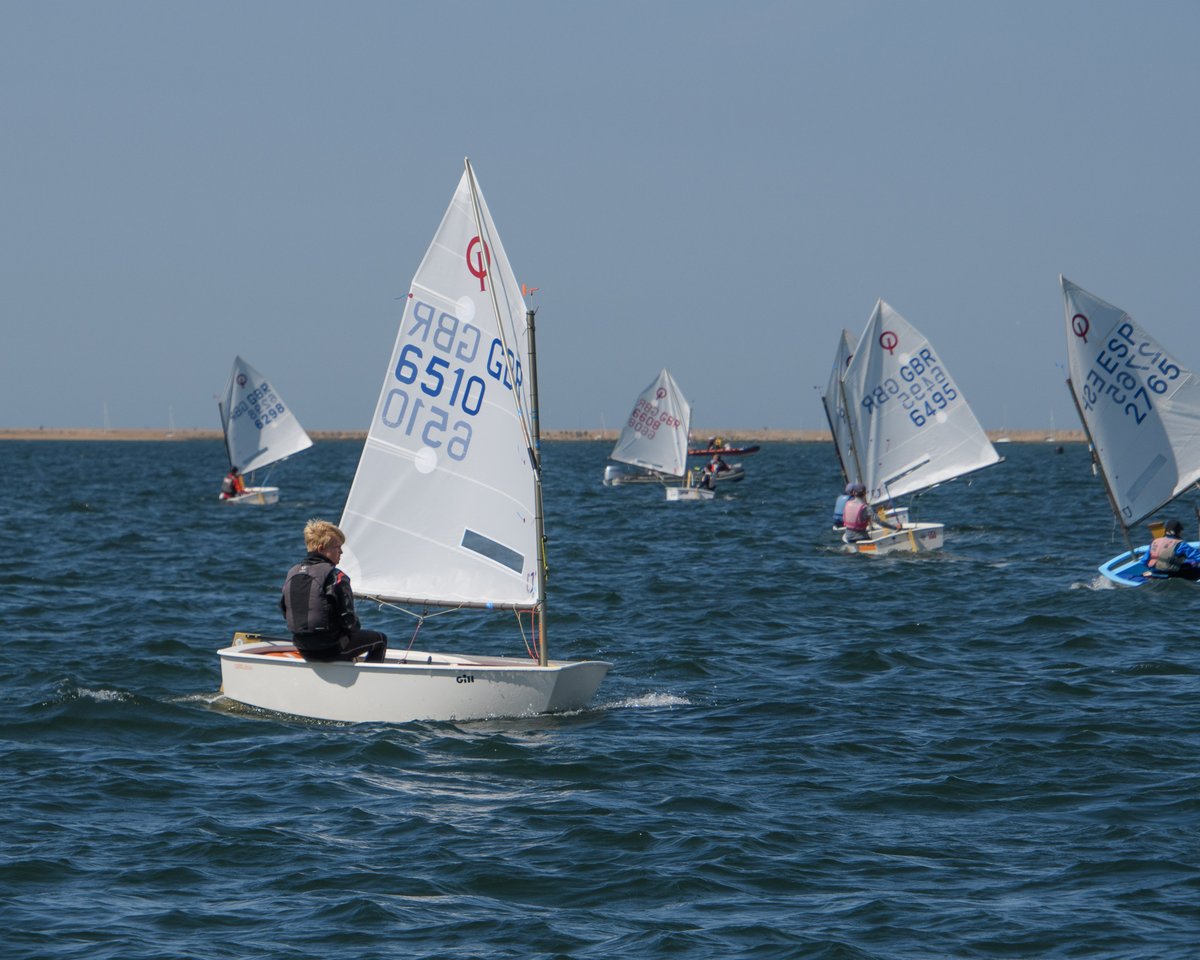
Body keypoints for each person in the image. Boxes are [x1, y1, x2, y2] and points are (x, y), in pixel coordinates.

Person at [280, 518, 388, 662]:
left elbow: (284, 610)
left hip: (302, 647)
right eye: (337, 547)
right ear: (321, 548)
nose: (341, 551)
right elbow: (349, 622)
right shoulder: (336, 576)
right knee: (380, 640)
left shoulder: (292, 573)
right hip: (330, 649)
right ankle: (369, 681)